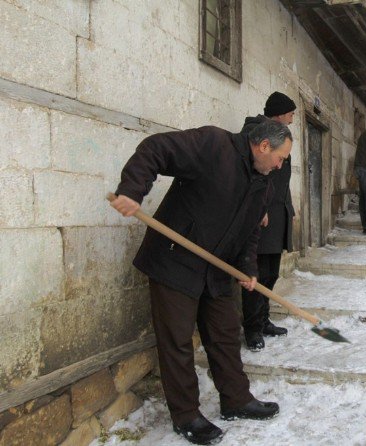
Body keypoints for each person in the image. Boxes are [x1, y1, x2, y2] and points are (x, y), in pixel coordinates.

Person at [109, 120, 292, 445]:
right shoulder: (213, 145)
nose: (280, 164)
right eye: (280, 157)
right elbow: (156, 149)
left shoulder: (264, 184)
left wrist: (247, 268)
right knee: (177, 342)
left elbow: (250, 233)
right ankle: (187, 416)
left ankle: (236, 400)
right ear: (264, 146)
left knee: (224, 334)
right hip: (174, 260)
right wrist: (132, 190)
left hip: (216, 269)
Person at [239, 92, 296, 352]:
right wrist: (257, 205)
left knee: (271, 272)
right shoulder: (256, 132)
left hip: (277, 211)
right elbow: (251, 173)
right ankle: (251, 328)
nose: (293, 119)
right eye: (291, 113)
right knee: (256, 273)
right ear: (280, 112)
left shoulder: (279, 136)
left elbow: (281, 180)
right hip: (263, 213)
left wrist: (287, 209)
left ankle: (262, 320)